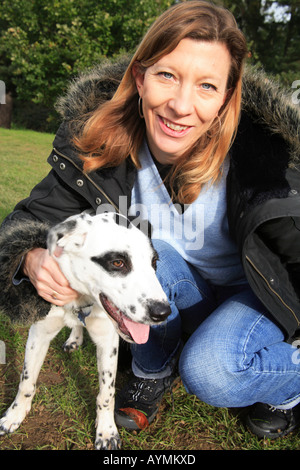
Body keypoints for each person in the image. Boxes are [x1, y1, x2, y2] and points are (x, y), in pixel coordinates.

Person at [1, 0, 300, 442]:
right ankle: (152, 367)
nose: (181, 105)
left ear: (226, 96)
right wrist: (30, 257)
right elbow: (33, 218)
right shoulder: (100, 141)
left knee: (212, 371)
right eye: (167, 76)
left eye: (206, 86)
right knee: (153, 253)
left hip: (253, 291)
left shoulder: (267, 159)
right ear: (140, 78)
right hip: (177, 282)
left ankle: (284, 387)